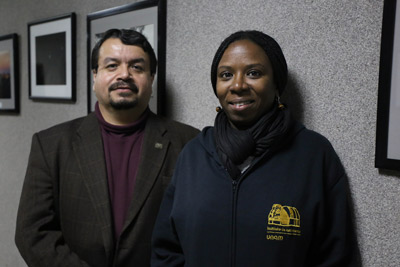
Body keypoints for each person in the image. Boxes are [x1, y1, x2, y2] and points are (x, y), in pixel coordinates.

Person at [151, 30, 361, 266]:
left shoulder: (314, 155)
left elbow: (337, 257)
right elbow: (166, 250)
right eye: (226, 75)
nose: (238, 85)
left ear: (276, 83)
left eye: (253, 73)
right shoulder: (193, 155)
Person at [15, 29, 199, 267]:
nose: (124, 74)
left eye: (137, 67)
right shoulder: (50, 145)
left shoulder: (189, 142)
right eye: (112, 66)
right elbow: (32, 234)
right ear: (95, 76)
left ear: (151, 78)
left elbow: (197, 230)